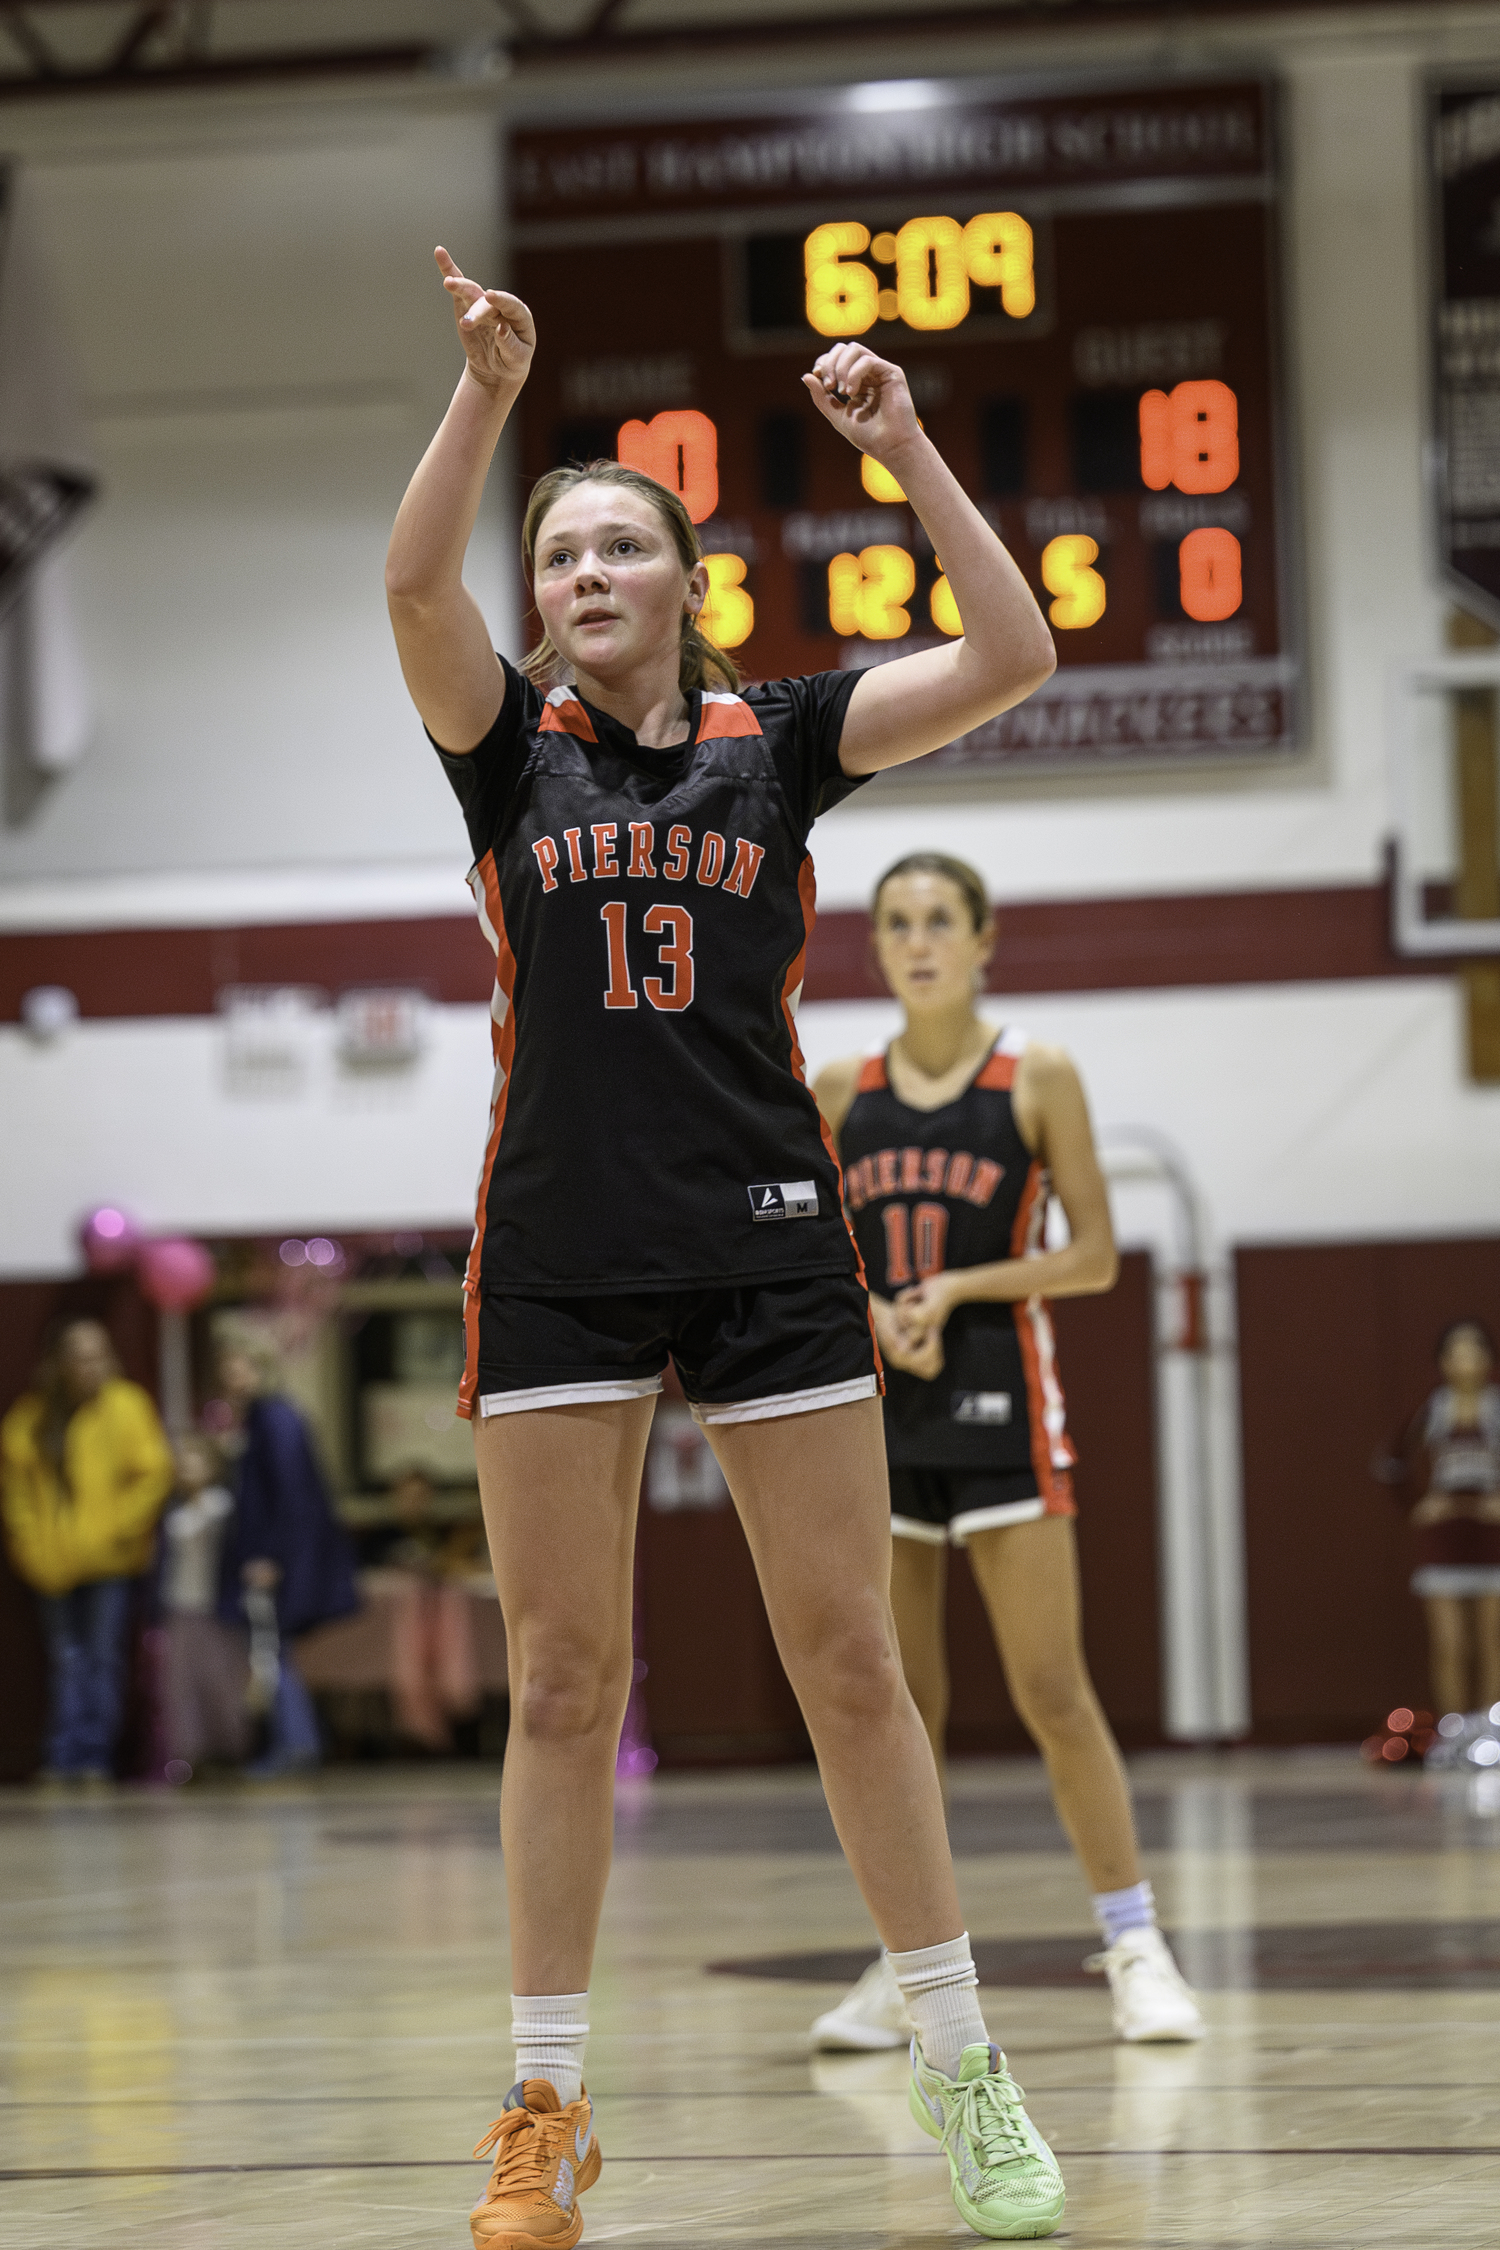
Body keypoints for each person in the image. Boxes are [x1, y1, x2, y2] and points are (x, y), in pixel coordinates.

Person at [385, 246, 1062, 2246]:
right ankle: (544, 2111)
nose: (583, 573)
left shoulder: (783, 743)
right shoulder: (505, 747)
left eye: (621, 546)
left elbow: (1015, 655)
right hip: (563, 1245)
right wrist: (487, 397)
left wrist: (912, 447)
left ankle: (964, 2066)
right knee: (568, 1681)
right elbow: (415, 588)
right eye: (561, 553)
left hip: (775, 1240)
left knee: (853, 1661)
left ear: (687, 580)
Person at [806, 856, 1202, 2053]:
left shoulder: (1038, 1074)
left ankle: (1135, 1944)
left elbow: (1094, 1254)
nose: (919, 941)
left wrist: (961, 1284)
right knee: (898, 1705)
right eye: (897, 924)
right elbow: (820, 1259)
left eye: (941, 921)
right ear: (875, 949)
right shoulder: (837, 1087)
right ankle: (907, 1967)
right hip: (885, 1419)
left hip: (1006, 1410)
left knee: (1051, 1689)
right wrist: (875, 1309)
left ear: (984, 942)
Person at [1, 1318, 173, 1783]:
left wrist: (120, 1528)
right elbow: (16, 1493)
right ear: (59, 1362)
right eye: (80, 1354)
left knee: (102, 1656)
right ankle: (64, 1755)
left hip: (110, 1561)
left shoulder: (126, 1406)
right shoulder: (32, 1417)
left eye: (99, 1353)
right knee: (65, 1659)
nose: (91, 1365)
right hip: (51, 1564)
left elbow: (154, 1474)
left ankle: (95, 1756)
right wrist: (28, 1546)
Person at [213, 1336, 359, 1778]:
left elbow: (291, 1497)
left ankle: (295, 1745)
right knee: (275, 1651)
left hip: (279, 1563)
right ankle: (293, 1742)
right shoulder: (260, 1423)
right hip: (280, 1559)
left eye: (241, 1370)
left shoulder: (276, 1422)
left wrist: (270, 1555)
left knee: (272, 1651)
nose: (234, 1381)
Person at [1373, 1319, 1500, 1715]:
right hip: (1445, 1538)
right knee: (1450, 1643)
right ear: (1443, 1361)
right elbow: (1391, 1462)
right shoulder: (1433, 1408)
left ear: (1488, 1358)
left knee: (1490, 1643)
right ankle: (1453, 1731)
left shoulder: (1496, 1407)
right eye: (1457, 1351)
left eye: (1475, 1350)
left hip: (1491, 1536)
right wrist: (1417, 1504)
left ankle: (1489, 1733)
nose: (1467, 1360)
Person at [358, 1466, 485, 1753]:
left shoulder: (442, 1536)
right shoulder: (377, 1537)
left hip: (438, 1628)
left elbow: (460, 1567)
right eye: (407, 1495)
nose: (414, 1502)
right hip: (390, 1633)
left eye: (420, 1495)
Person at [158, 1431, 251, 1775]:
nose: (187, 1468)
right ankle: (192, 1753)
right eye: (182, 1462)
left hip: (216, 1606)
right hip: (180, 1603)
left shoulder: (222, 1506)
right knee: (183, 1684)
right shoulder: (173, 1511)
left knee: (221, 1680)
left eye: (195, 1461)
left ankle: (230, 1750)